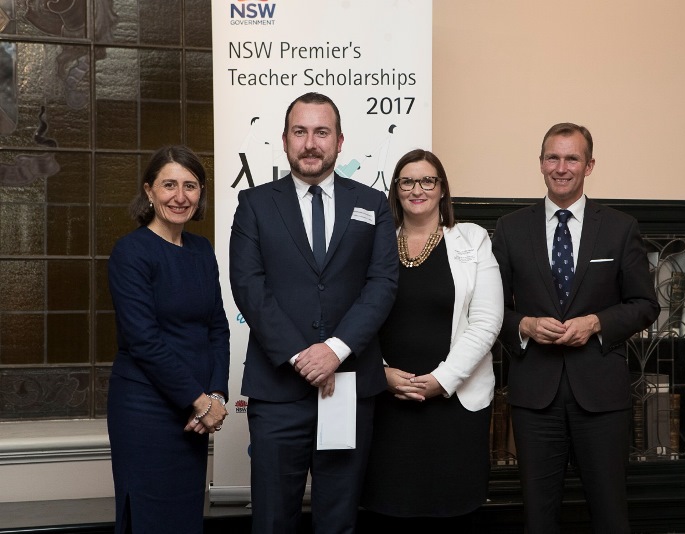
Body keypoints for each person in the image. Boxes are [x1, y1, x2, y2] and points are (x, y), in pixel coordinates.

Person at [229, 92, 398, 534]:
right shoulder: (255, 204)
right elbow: (249, 287)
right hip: (278, 387)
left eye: (321, 132)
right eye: (300, 132)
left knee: (339, 520)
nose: (310, 143)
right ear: (284, 141)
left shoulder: (374, 204)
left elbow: (382, 285)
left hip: (349, 389)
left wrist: (335, 351)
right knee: (271, 520)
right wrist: (305, 356)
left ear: (340, 141)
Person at [491, 123, 659, 533]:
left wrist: (598, 322)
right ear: (541, 163)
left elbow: (645, 304)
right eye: (553, 157)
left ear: (589, 165)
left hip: (600, 396)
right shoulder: (511, 229)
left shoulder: (620, 228)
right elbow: (489, 311)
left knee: (610, 514)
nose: (561, 167)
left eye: (572, 158)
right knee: (538, 515)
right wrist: (526, 325)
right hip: (535, 397)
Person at [360, 149, 503, 532]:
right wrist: (383, 373)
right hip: (388, 404)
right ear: (396, 190)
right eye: (407, 181)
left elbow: (488, 321)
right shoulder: (376, 243)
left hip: (455, 403)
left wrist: (443, 379)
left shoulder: (472, 240)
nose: (417, 189)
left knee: (453, 512)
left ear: (442, 189)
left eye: (428, 180)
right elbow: (357, 320)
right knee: (388, 511)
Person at [107, 145, 230, 534]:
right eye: (169, 185)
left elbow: (218, 328)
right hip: (145, 412)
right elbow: (143, 341)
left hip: (194, 413)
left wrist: (216, 396)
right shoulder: (130, 252)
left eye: (190, 186)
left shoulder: (200, 249)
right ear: (149, 191)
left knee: (184, 519)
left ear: (201, 193)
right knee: (149, 518)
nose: (180, 197)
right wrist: (198, 401)